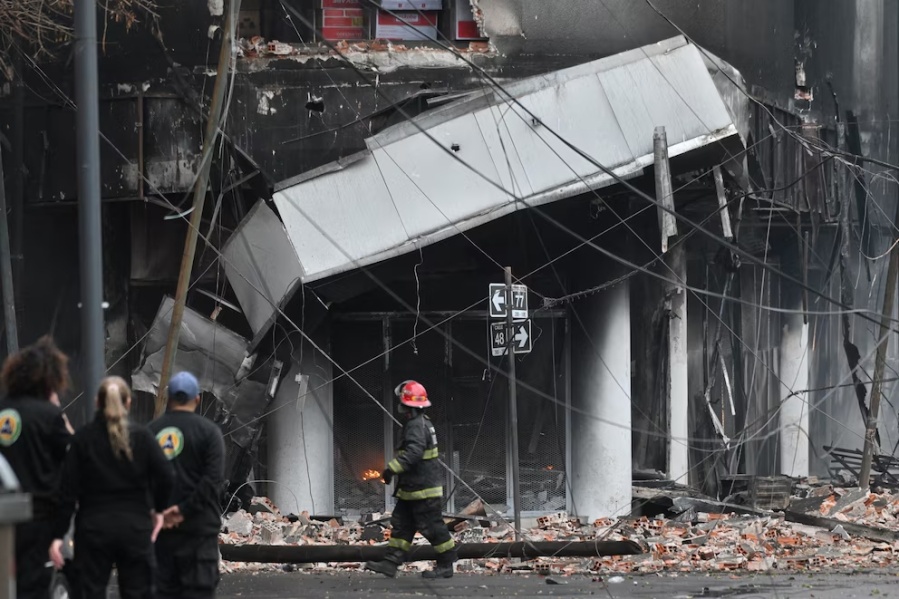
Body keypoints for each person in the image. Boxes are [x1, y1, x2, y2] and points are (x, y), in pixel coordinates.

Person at [49, 376, 174, 599]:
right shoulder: (143, 437)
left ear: (97, 402)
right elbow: (167, 476)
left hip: (93, 528)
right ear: (128, 403)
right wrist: (157, 509)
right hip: (135, 527)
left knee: (90, 592)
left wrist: (58, 534)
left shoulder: (82, 439)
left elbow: (67, 492)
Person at [0, 336, 73, 599]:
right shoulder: (48, 416)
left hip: (3, 518)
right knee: (33, 589)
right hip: (38, 520)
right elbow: (75, 458)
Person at [365, 380, 457, 579]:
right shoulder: (421, 422)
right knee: (402, 525)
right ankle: (391, 563)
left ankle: (446, 564)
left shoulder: (416, 425)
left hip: (422, 490)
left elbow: (414, 453)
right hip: (413, 489)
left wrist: (391, 469)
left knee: (432, 527)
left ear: (406, 404)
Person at [149, 371, 225, 599]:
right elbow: (212, 481)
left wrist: (157, 513)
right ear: (197, 399)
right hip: (199, 535)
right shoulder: (210, 433)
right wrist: (183, 511)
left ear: (168, 398)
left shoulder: (150, 432)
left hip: (160, 536)